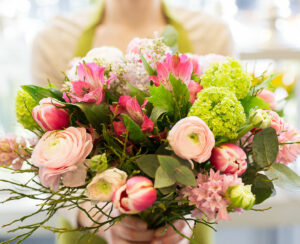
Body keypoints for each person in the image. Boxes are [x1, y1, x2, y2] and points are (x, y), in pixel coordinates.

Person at [31, 0, 234, 243]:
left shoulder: (210, 34)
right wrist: (99, 218)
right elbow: (44, 163)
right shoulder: (55, 40)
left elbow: (227, 157)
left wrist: (184, 216)